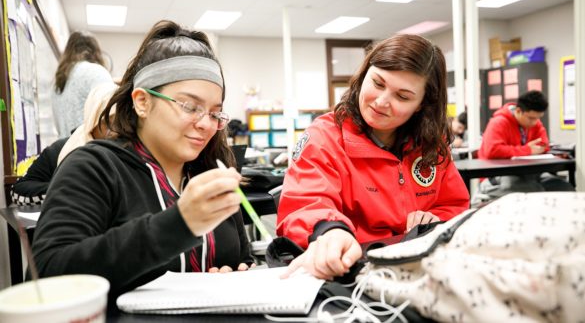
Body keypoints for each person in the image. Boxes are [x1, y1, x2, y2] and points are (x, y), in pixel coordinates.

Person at [32, 21, 254, 300]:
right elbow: (48, 273)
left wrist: (238, 274)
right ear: (142, 102)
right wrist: (178, 225)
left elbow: (243, 259)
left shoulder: (210, 174)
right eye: (190, 106)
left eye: (214, 113)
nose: (205, 125)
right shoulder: (94, 167)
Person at [277, 34, 470, 280]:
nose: (381, 102)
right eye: (378, 83)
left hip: (420, 270)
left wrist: (436, 218)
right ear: (364, 74)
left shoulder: (431, 143)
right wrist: (331, 231)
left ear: (422, 104)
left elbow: (455, 205)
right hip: (349, 271)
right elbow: (304, 203)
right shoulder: (325, 136)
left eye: (402, 96)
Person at [10, 82, 118, 206]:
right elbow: (18, 191)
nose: (115, 131)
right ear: (92, 120)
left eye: (120, 122)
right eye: (107, 122)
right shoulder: (61, 149)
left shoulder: (131, 152)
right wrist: (66, 188)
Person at [477, 90, 573, 197]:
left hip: (528, 173)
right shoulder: (499, 122)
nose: (535, 122)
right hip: (499, 174)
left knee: (565, 188)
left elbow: (543, 144)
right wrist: (528, 150)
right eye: (531, 118)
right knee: (535, 192)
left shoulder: (534, 122)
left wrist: (535, 149)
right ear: (518, 111)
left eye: (538, 118)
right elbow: (493, 150)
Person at [52, 31, 113, 138]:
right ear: (95, 51)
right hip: (89, 151)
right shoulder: (96, 72)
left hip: (63, 151)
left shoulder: (57, 82)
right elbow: (111, 117)